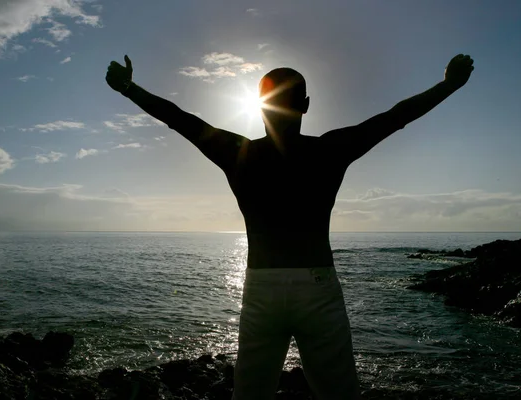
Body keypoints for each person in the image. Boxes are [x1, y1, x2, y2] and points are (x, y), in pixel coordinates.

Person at [106, 53, 474, 399]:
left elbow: (179, 118)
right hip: (317, 286)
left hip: (263, 288)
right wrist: (449, 85)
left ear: (258, 106)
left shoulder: (238, 153)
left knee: (250, 393)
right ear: (307, 104)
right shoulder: (330, 150)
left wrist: (128, 88)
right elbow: (397, 115)